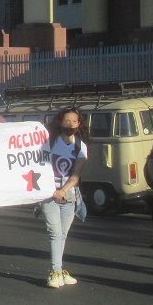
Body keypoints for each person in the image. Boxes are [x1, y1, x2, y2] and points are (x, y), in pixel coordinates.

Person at [40, 108, 88, 288]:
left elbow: (76, 176)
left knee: (63, 235)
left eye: (73, 121)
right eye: (66, 120)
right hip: (48, 194)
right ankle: (55, 272)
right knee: (55, 233)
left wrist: (64, 190)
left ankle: (59, 270)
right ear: (60, 122)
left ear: (78, 124)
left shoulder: (80, 146)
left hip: (68, 195)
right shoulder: (49, 142)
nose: (69, 124)